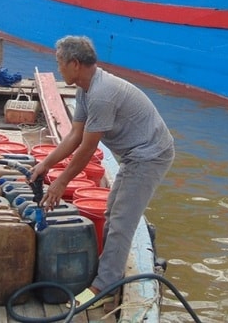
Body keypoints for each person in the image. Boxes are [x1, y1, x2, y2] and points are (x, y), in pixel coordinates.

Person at [29, 35, 175, 309]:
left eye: (60, 64)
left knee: (122, 219)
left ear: (74, 64)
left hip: (150, 155)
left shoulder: (101, 94)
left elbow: (87, 148)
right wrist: (45, 164)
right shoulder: (85, 90)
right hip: (133, 155)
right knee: (111, 212)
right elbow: (74, 135)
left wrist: (61, 182)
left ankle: (105, 286)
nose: (58, 69)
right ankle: (108, 269)